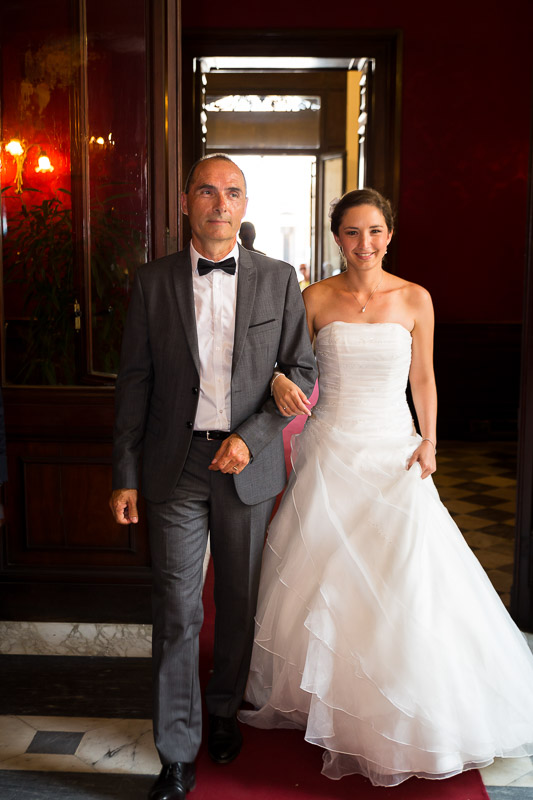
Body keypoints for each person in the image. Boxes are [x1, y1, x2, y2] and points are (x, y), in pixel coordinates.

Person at [240, 188, 533, 787]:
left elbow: (422, 376)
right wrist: (275, 381)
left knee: (404, 575)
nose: (364, 244)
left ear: (390, 234)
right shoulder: (313, 297)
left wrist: (430, 440)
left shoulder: (415, 299)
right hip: (328, 449)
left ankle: (405, 697)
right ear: (336, 237)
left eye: (374, 231)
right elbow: (278, 362)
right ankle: (328, 697)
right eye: (351, 233)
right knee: (327, 578)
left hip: (394, 451)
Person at [109, 154, 316, 800]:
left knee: (238, 603)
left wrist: (252, 441)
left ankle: (223, 708)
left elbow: (302, 371)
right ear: (184, 202)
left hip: (246, 469)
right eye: (206, 191)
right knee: (176, 607)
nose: (218, 204)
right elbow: (134, 382)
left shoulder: (280, 281)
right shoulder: (152, 282)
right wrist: (125, 474)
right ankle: (175, 750)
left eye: (231, 193)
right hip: (173, 465)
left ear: (244, 207)